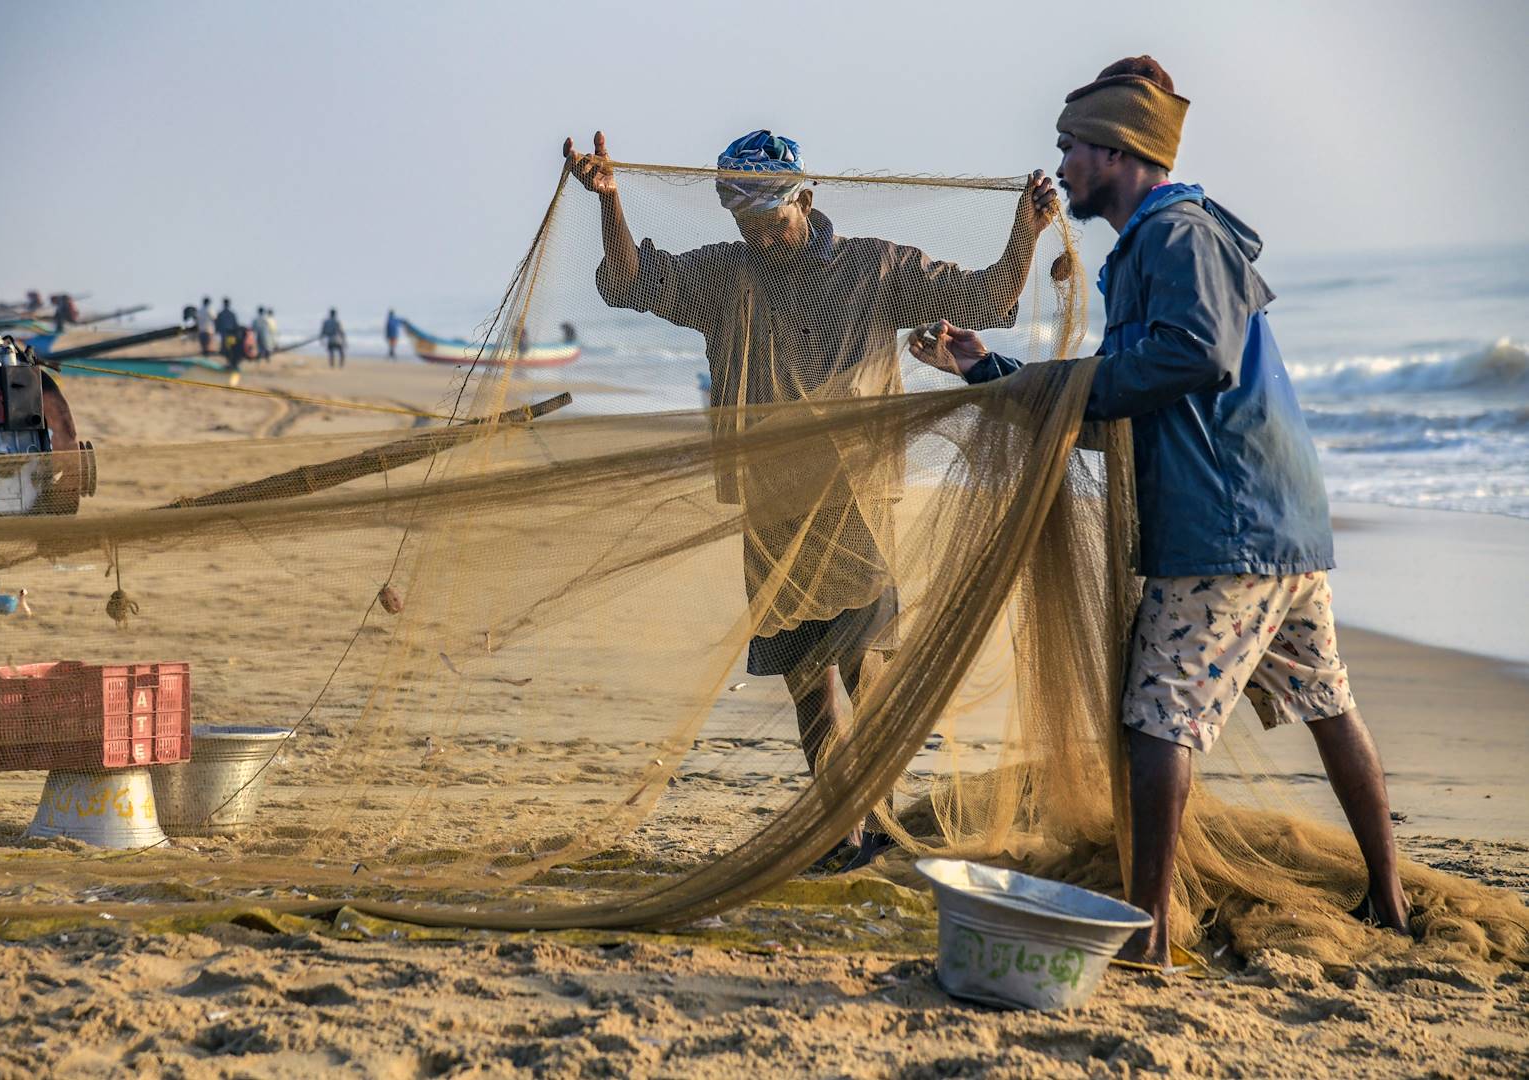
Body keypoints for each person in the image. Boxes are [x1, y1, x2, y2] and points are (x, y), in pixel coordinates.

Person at [912, 56, 1408, 964]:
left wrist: (1049, 385)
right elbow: (1131, 402)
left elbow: (1191, 359)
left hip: (1227, 531)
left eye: (1071, 147)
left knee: (1156, 722)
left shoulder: (1175, 237)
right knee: (1327, 701)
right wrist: (993, 374)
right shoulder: (1159, 241)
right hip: (1278, 522)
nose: (1059, 164)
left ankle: (1145, 934)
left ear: (1117, 150)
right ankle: (1390, 899)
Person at [565, 128, 1056, 870]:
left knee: (865, 667)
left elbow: (988, 295)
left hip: (856, 495)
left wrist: (1025, 230)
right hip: (770, 501)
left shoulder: (876, 268)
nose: (760, 233)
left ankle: (875, 816)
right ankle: (840, 829)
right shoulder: (722, 276)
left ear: (807, 197)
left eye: (771, 216)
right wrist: (609, 203)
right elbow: (632, 281)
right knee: (805, 674)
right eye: (745, 220)